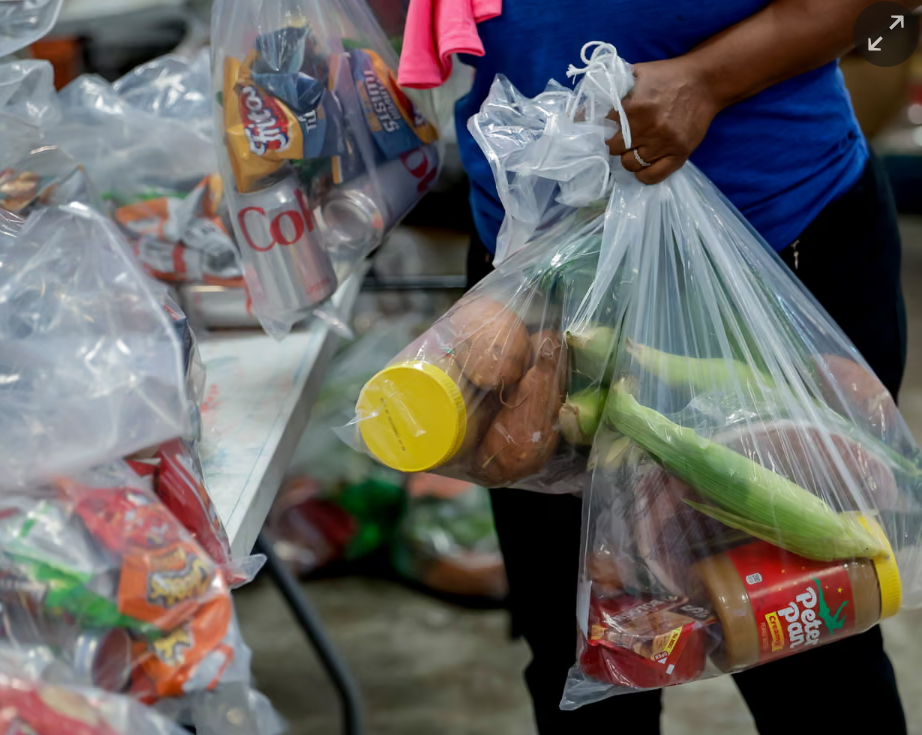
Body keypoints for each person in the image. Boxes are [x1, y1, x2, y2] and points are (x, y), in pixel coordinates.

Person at [455, 1, 913, 733]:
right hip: (534, 269)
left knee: (805, 639)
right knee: (590, 644)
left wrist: (707, 80)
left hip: (769, 251)